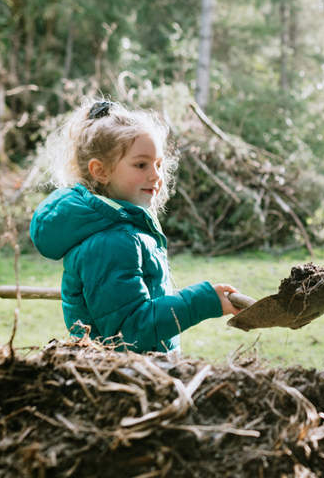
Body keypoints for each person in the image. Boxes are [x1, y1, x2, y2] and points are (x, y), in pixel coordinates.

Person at [30, 99, 242, 354]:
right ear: (101, 171)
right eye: (141, 165)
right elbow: (130, 332)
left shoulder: (126, 229)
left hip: (140, 375)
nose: (156, 175)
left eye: (159, 164)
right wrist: (204, 301)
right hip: (122, 381)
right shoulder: (110, 242)